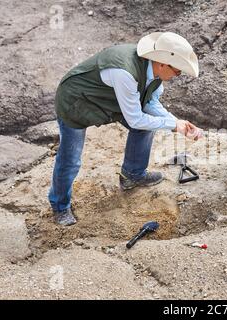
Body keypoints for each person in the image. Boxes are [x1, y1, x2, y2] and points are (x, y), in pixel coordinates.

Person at [49, 32, 202, 226]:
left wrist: (178, 122)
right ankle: (60, 206)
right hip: (77, 101)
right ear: (162, 63)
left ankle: (132, 175)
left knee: (149, 124)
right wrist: (173, 126)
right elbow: (136, 119)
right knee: (70, 160)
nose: (177, 75)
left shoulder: (153, 71)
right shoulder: (125, 72)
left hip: (111, 101)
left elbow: (151, 103)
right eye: (178, 71)